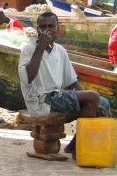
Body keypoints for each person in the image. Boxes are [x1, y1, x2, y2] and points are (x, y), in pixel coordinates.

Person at [18, 11, 110, 157]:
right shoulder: (29, 49)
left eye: (51, 26)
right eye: (43, 27)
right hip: (40, 101)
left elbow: (71, 82)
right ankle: (79, 150)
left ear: (57, 28)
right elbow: (27, 78)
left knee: (103, 102)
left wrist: (93, 102)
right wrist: (40, 47)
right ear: (37, 29)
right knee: (93, 96)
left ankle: (73, 146)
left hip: (56, 97)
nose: (47, 30)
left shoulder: (60, 51)